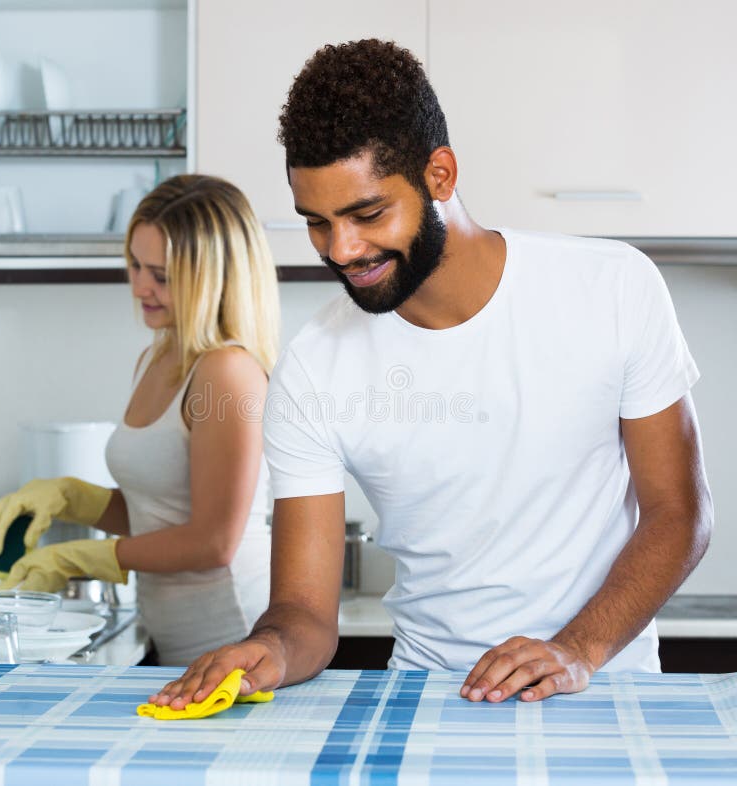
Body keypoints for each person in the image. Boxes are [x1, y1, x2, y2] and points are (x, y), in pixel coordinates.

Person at [150, 39, 712, 706]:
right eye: (317, 224)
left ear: (439, 175)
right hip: (427, 699)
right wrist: (270, 646)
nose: (342, 250)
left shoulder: (612, 288)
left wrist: (575, 650)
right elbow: (303, 611)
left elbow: (680, 514)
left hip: (603, 689)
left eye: (366, 215)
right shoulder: (313, 367)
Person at [0, 174, 280, 666]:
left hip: (235, 634)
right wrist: (71, 498)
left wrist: (81, 559)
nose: (141, 286)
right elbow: (157, 512)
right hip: (178, 638)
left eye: (161, 276)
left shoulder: (228, 372)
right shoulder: (157, 357)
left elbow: (213, 540)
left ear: (211, 278)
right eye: (135, 266)